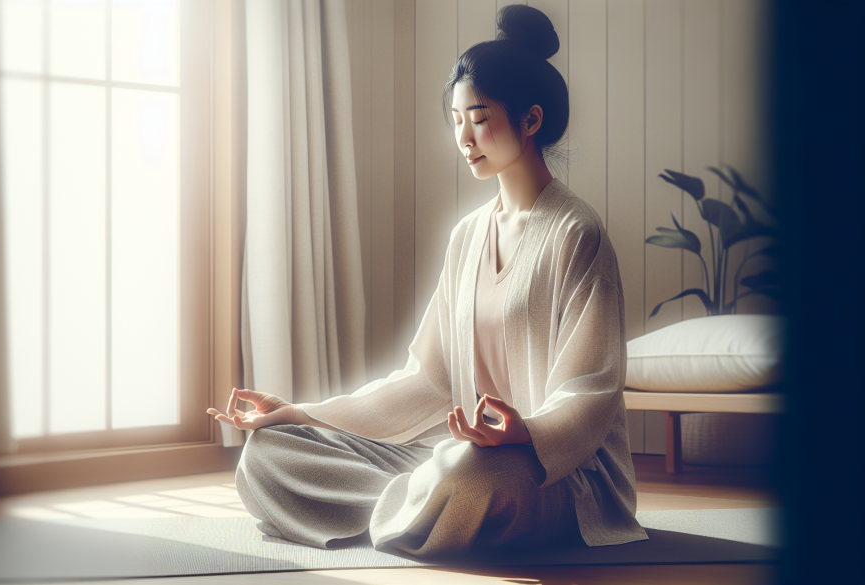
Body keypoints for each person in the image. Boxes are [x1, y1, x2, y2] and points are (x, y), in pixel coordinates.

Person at [208, 3, 648, 558]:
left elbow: (590, 392)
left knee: (472, 470)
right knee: (270, 453)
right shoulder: (466, 236)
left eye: (480, 118)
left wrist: (524, 435)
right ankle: (423, 508)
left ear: (531, 120)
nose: (464, 137)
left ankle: (429, 503)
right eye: (457, 120)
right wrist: (302, 413)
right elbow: (427, 381)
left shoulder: (576, 232)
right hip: (454, 455)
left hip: (550, 473)